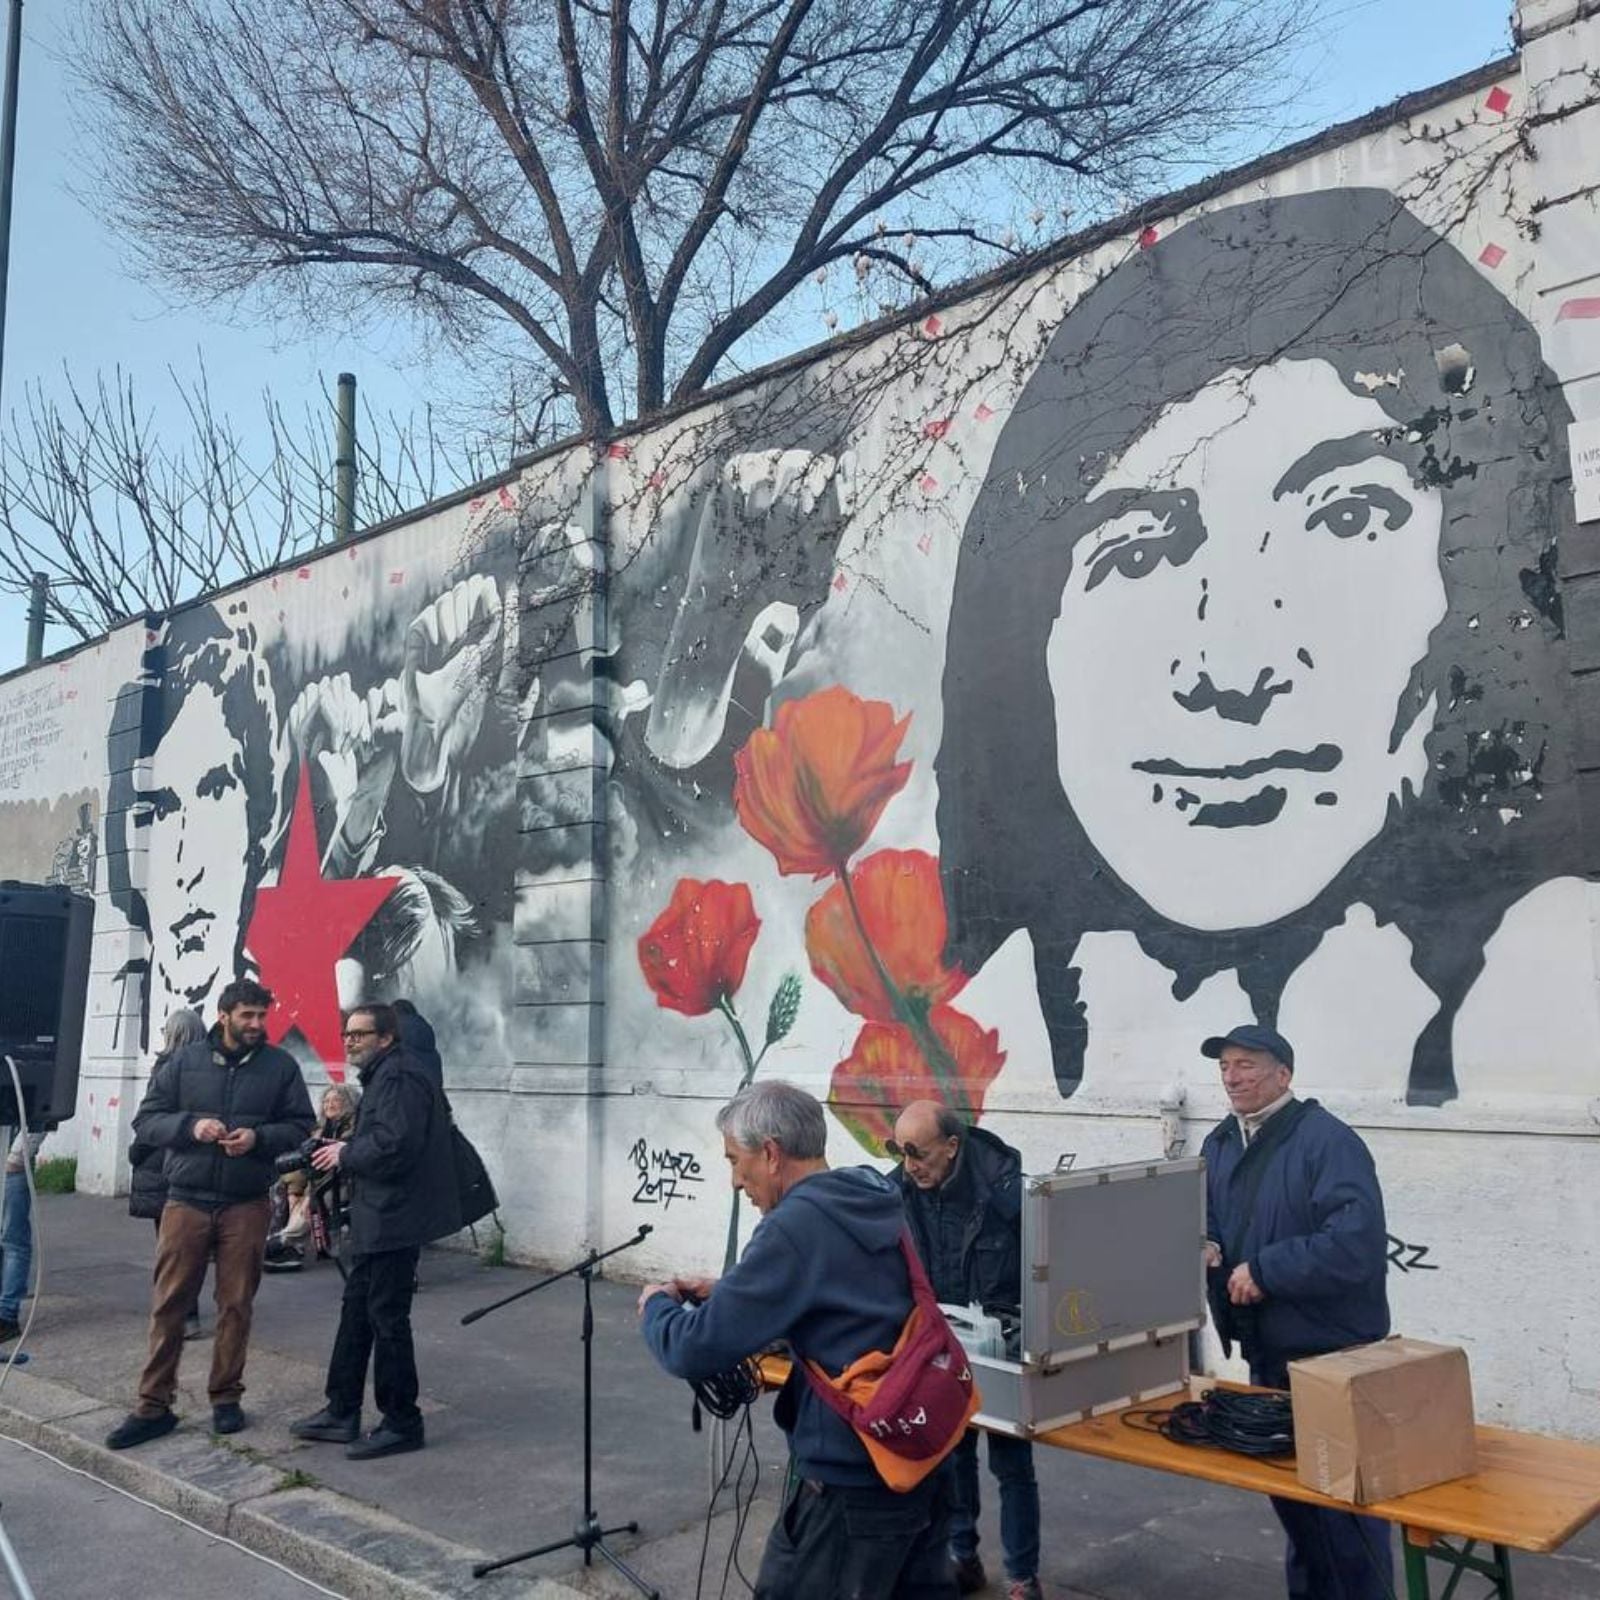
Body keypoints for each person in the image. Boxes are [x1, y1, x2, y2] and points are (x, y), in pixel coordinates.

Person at [937, 187, 1582, 1108]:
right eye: (1143, 546)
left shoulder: (1544, 973)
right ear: (1032, 630)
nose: (1230, 675)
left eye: (1348, 518)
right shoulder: (986, 1020)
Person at [637, 1080, 958, 1600]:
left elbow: (692, 1347)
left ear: (770, 1153)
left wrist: (656, 1305)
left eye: (734, 1160)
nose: (735, 1181)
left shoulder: (794, 1226)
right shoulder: (870, 1194)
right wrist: (734, 1292)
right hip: (920, 1460)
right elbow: (850, 1294)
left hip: (850, 1485)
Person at [1200, 1023, 1391, 1600]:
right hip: (1268, 1355)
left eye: (1247, 1065)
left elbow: (1356, 1244)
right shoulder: (1220, 1142)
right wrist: (1205, 1245)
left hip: (1333, 1356)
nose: (1233, 1077)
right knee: (1299, 1512)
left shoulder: (1328, 1141)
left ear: (1284, 1074)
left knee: (1346, 1515)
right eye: (1226, 1066)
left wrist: (1266, 1269)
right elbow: (1211, 1220)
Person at [106, 978, 315, 1449]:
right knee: (169, 1304)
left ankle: (225, 1397)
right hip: (186, 1199)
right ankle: (153, 1405)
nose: (257, 1025)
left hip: (247, 1202)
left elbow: (302, 1126)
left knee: (236, 1304)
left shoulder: (280, 1067)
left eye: (263, 1015)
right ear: (224, 1015)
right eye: (248, 1016)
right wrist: (191, 1125)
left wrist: (257, 1138)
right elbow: (146, 1121)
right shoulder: (182, 1062)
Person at [290, 1002, 459, 1459]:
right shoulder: (386, 1076)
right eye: (347, 1033)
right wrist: (346, 1145)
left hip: (395, 1218)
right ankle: (341, 1410)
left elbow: (396, 1146)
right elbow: (383, 1138)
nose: (350, 1041)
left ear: (386, 1038)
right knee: (357, 1312)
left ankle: (403, 1421)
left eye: (360, 1034)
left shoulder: (400, 1077)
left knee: (387, 1319)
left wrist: (346, 1155)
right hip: (379, 1214)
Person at [889, 1100, 1041, 1600]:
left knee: (1012, 1464)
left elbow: (1044, 1265)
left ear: (952, 1147)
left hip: (1001, 1339)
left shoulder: (1006, 1192)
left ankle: (1021, 1576)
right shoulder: (900, 1190)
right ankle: (963, 1557)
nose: (910, 1165)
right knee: (953, 1456)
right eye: (900, 1151)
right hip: (938, 1340)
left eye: (919, 1153)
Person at [128, 1007, 210, 1339]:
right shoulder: (208, 1069)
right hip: (192, 1164)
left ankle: (178, 1313)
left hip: (161, 1164)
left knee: (170, 1246)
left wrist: (138, 1151)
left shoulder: (166, 1068)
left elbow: (152, 1119)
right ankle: (185, 1313)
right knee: (187, 1246)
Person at [264, 1082, 360, 1271]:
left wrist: (307, 1194)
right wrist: (295, 1190)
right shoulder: (319, 1130)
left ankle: (283, 1241)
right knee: (281, 1188)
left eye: (336, 1100)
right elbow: (304, 1161)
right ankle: (284, 1242)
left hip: (343, 1182)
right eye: (326, 1100)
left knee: (315, 1201)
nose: (329, 1104)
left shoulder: (355, 1130)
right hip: (317, 1181)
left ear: (348, 1103)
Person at [0, 1130, 46, 1343]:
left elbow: (39, 1115)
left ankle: (7, 1315)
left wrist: (19, 1155)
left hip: (12, 1163)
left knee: (13, 1240)